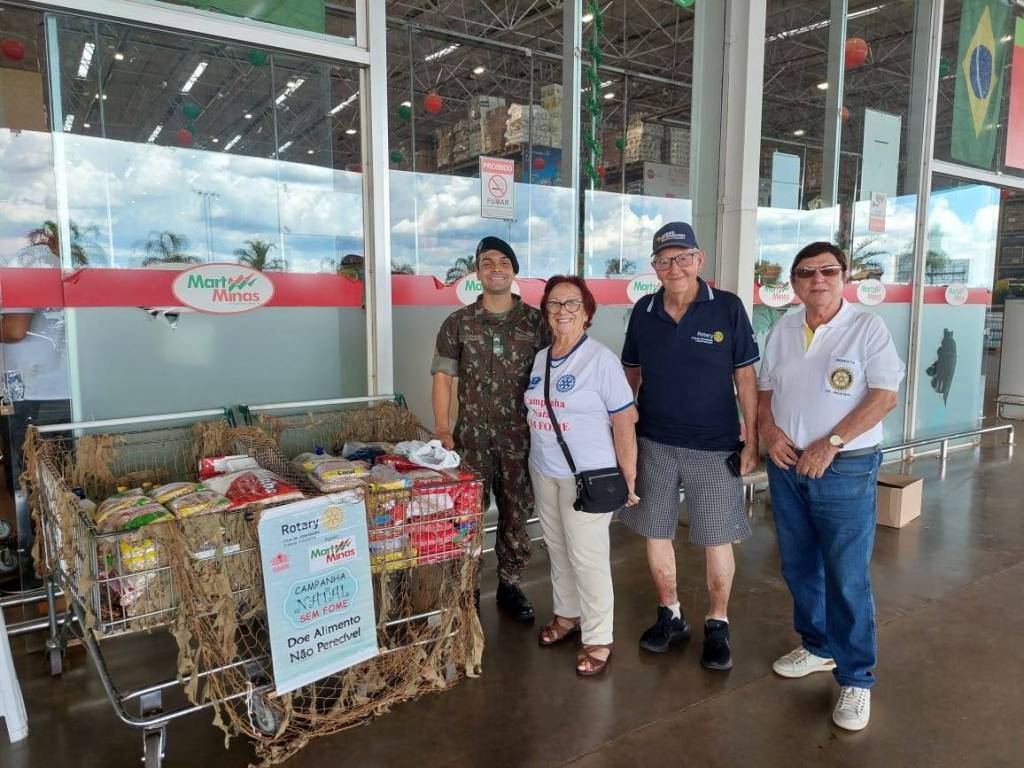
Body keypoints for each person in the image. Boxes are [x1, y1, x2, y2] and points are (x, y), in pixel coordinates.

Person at [757, 241, 904, 732]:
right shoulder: (783, 329)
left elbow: (884, 397)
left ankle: (856, 676)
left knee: (845, 573)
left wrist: (831, 443)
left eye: (828, 270)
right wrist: (769, 432)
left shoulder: (867, 328)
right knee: (799, 565)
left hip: (844, 466)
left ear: (844, 277)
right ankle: (818, 647)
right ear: (794, 283)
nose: (817, 279)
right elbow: (765, 391)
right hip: (787, 465)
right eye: (806, 272)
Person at [619, 222, 760, 671]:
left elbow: (746, 378)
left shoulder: (728, 308)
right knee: (656, 532)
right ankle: (671, 615)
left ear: (699, 260)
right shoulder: (644, 310)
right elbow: (630, 374)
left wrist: (752, 439)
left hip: (714, 446)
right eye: (664, 260)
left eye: (682, 258)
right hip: (654, 443)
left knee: (717, 537)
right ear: (655, 266)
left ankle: (718, 622)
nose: (674, 267)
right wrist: (625, 433)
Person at [525, 276, 639, 676]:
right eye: (554, 304)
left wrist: (629, 476)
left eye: (572, 303)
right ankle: (567, 615)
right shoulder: (541, 358)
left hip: (587, 477)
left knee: (587, 558)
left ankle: (598, 637)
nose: (563, 311)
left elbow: (624, 419)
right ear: (546, 312)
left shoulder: (600, 360)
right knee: (557, 550)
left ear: (587, 311)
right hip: (545, 472)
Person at [431, 236, 548, 621]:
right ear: (477, 273)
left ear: (513, 271)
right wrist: (443, 429)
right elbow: (443, 378)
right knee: (466, 518)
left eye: (503, 262)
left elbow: (555, 374)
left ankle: (510, 585)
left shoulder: (536, 323)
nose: (495, 268)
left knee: (516, 515)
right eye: (486, 263)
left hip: (521, 440)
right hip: (471, 442)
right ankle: (466, 590)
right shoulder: (458, 323)